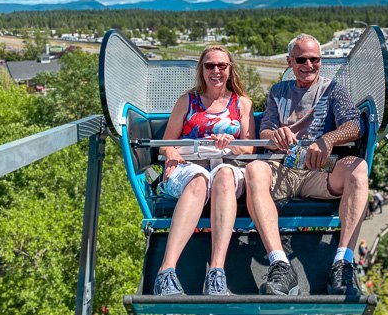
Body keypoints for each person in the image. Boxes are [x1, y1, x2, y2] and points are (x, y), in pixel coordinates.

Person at [245, 33, 367, 296]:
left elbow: (355, 125)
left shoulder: (333, 89)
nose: (309, 65)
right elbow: (264, 131)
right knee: (254, 169)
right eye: (302, 59)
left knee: (358, 168)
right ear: (290, 61)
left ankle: (343, 262)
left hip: (318, 171)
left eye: (315, 59)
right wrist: (275, 136)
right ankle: (279, 262)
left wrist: (327, 139)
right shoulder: (278, 92)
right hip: (283, 168)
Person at [152, 45, 255, 296]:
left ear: (230, 70)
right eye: (210, 66)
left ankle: (216, 271)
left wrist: (231, 145)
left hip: (226, 166)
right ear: (202, 70)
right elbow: (166, 144)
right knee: (199, 180)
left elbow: (250, 149)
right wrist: (171, 153)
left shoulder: (241, 104)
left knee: (223, 175)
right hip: (190, 167)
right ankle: (166, 271)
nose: (216, 71)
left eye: (222, 66)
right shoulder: (187, 101)